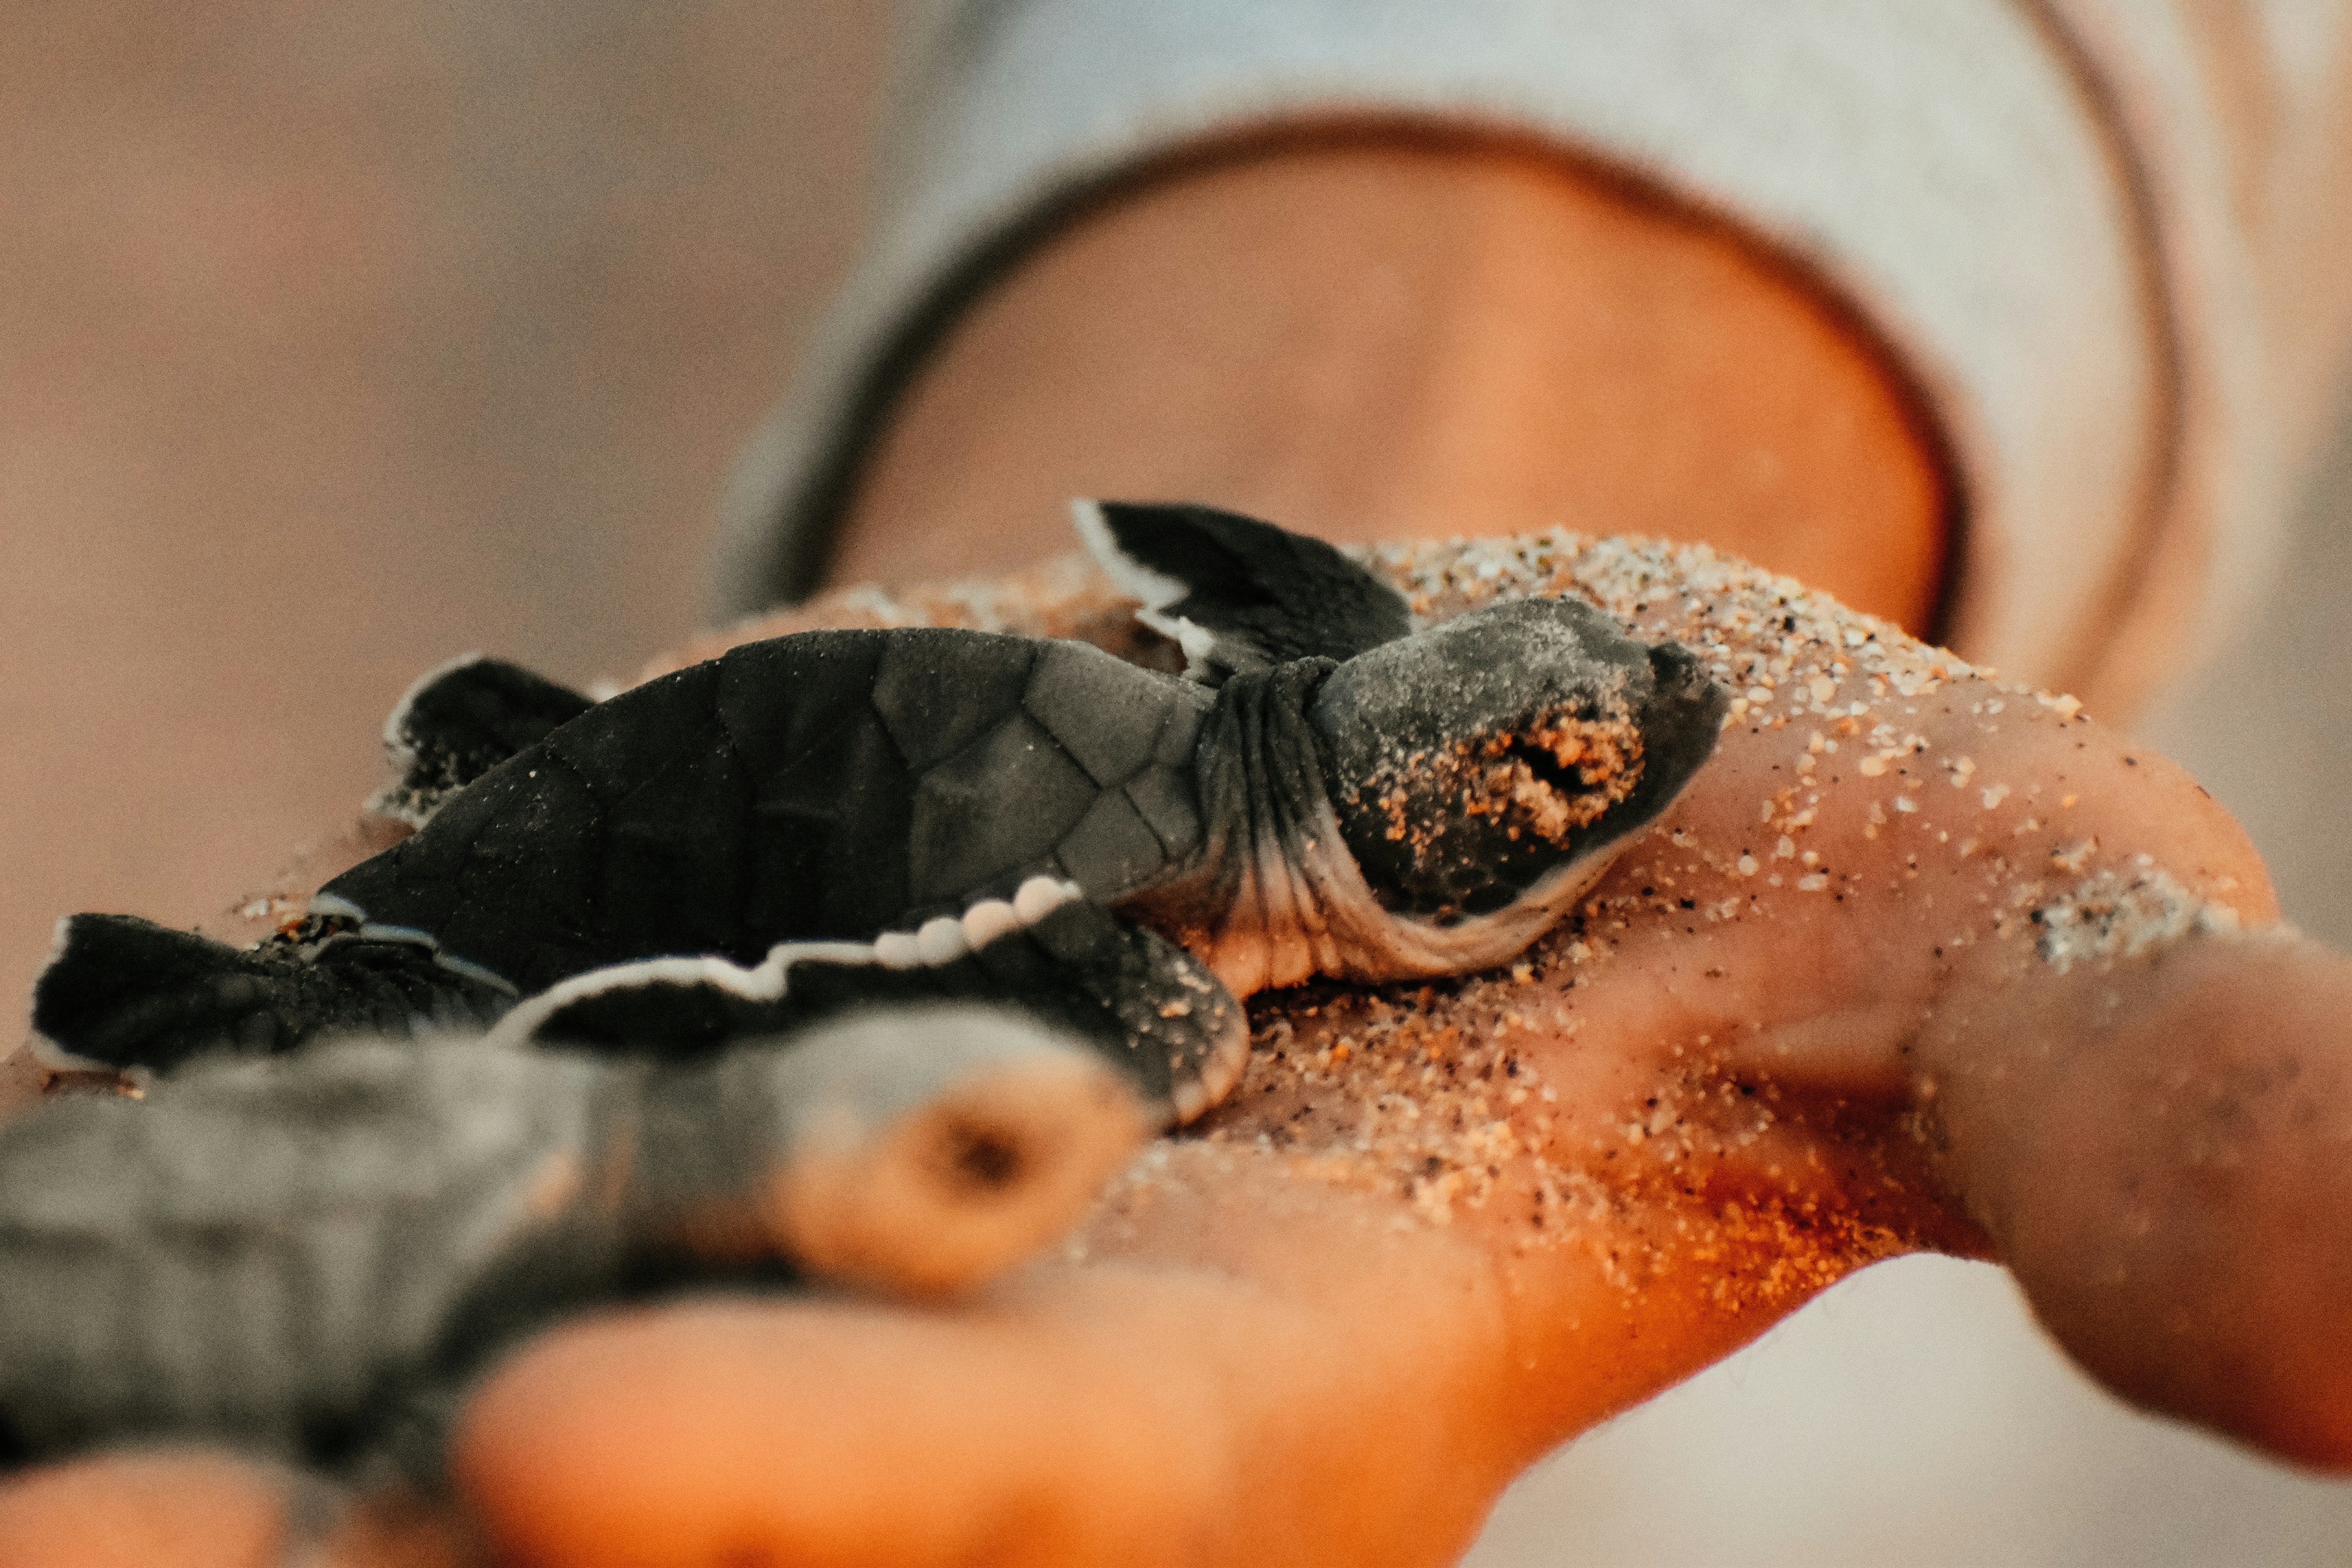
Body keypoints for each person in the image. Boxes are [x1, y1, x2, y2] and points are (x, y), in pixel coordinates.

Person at [7, 4, 2352, 1563]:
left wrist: (1522, 340)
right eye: (1567, 750)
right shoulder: (1164, 966)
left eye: (1592, 725)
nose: (1630, 747)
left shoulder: (1275, 706)